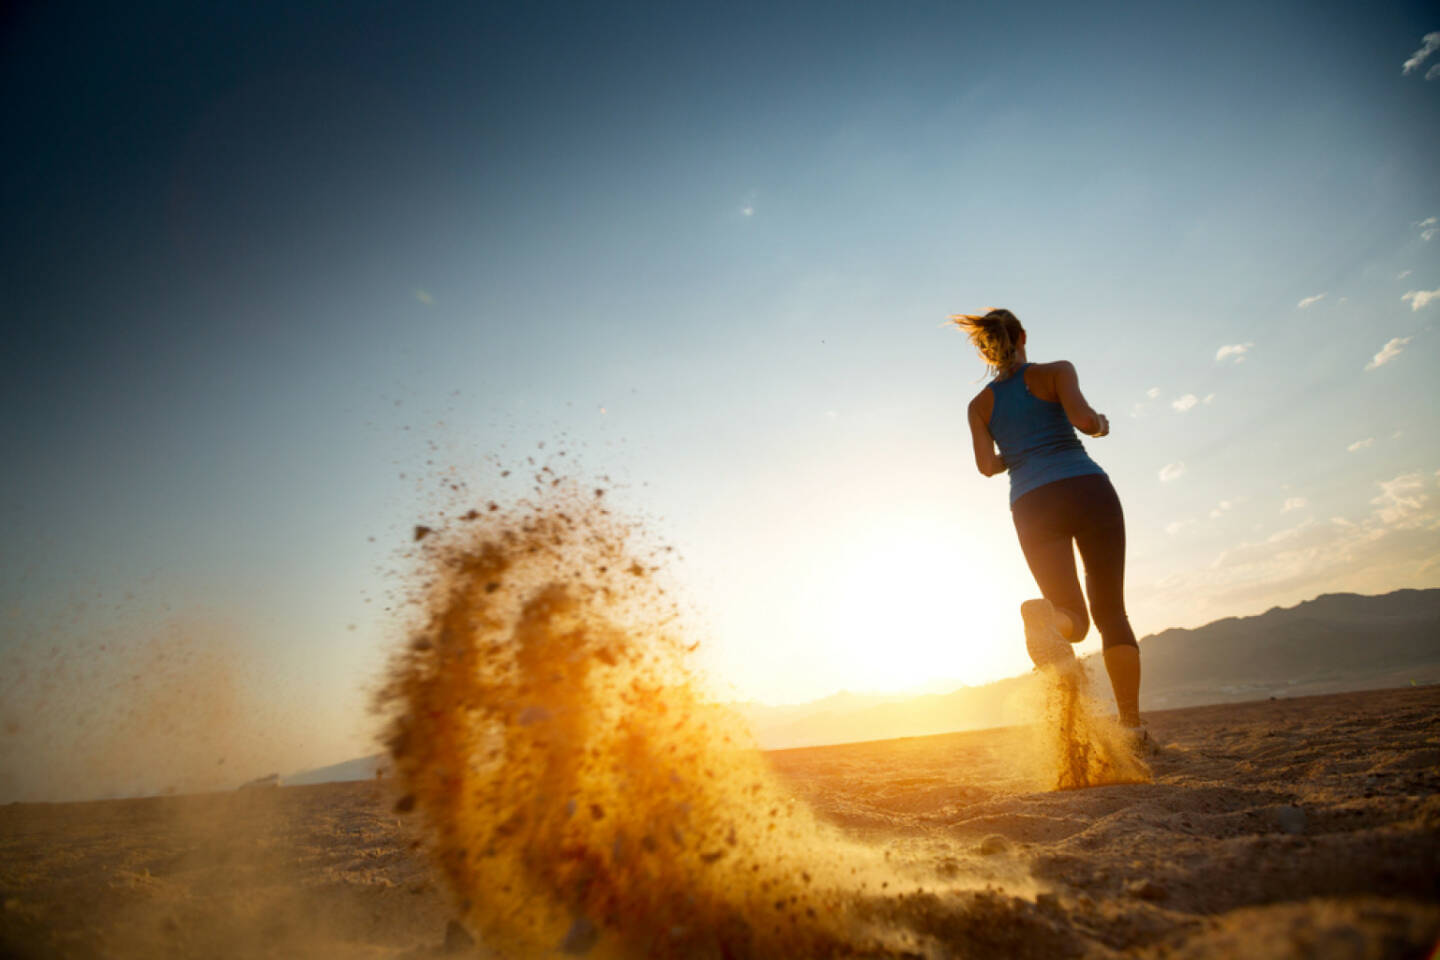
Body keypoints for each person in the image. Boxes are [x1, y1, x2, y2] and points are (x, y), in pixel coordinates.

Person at [951, 307, 1141, 731]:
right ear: (1022, 336)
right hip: (1086, 487)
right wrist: (1100, 426)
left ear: (984, 349)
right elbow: (1083, 420)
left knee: (1070, 618)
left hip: (1032, 504)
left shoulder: (979, 406)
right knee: (1111, 613)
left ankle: (1047, 620)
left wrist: (1017, 451)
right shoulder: (1057, 372)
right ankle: (1131, 726)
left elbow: (986, 466)